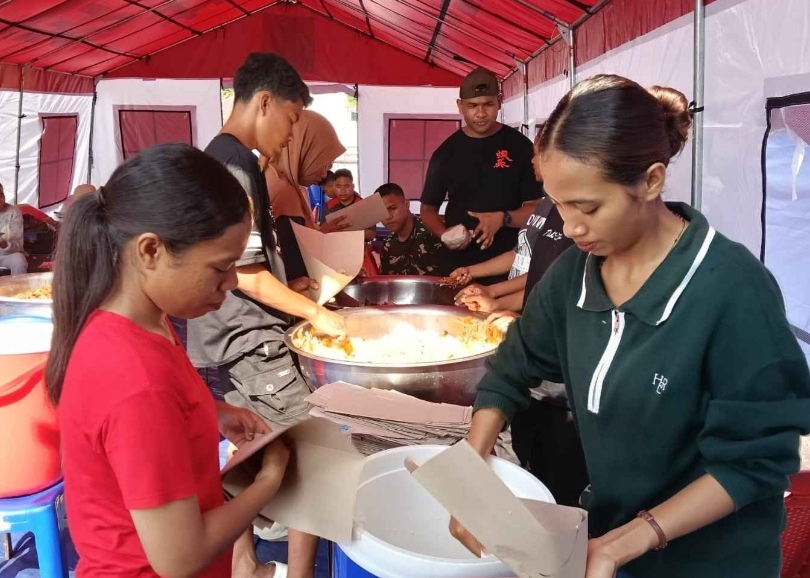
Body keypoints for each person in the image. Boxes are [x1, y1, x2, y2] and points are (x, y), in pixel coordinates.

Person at [451, 75, 810, 578]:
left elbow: (753, 461)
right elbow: (514, 364)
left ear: (652, 181)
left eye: (589, 207)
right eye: (558, 203)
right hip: (612, 540)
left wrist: (633, 539)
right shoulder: (574, 275)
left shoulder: (732, 290)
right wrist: (472, 460)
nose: (571, 227)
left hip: (710, 561)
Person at [47, 143, 291, 578]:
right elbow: (180, 557)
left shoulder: (140, 323)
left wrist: (208, 411)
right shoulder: (136, 378)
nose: (232, 282)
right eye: (221, 268)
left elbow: (133, 428)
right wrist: (267, 485)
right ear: (150, 251)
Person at [186, 52, 342, 578]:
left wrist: (290, 283)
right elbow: (245, 274)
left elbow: (255, 263)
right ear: (265, 102)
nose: (293, 134)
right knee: (309, 454)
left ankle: (246, 562)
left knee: (245, 445)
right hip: (248, 340)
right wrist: (316, 316)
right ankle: (298, 573)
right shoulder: (233, 162)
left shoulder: (229, 157)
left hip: (222, 337)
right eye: (293, 119)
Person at [420, 67, 542, 284]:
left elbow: (534, 208)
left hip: (509, 265)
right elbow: (428, 208)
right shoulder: (446, 152)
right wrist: (444, 234)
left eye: (488, 104)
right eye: (472, 106)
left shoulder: (520, 147)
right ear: (460, 106)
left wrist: (502, 218)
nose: (481, 113)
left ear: (500, 101)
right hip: (458, 266)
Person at [264, 109, 350, 288]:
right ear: (304, 151)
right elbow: (294, 265)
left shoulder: (274, 178)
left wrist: (321, 232)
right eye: (324, 164)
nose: (324, 173)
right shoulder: (283, 190)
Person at [377, 182, 444, 275]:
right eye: (382, 213)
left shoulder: (432, 231)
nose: (388, 217)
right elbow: (386, 282)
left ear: (406, 204)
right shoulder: (387, 245)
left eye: (392, 208)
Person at [325, 168, 376, 242]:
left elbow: (371, 234)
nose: (342, 190)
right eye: (339, 186)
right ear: (335, 187)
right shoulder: (329, 206)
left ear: (353, 186)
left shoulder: (364, 205)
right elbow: (324, 232)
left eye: (346, 186)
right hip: (336, 247)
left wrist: (347, 232)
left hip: (359, 248)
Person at [0, 182, 27, 275]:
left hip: (7, 255)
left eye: (1, 195)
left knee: (19, 261)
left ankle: (20, 289)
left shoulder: (13, 212)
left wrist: (4, 244)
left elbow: (18, 246)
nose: (0, 199)